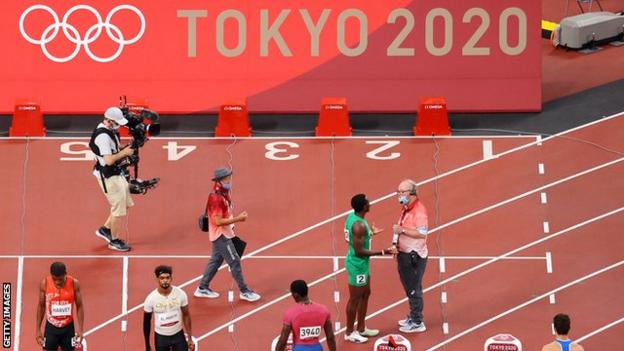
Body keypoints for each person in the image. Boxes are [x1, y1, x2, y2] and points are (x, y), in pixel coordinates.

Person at [194, 167, 260, 302]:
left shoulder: (224, 192)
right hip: (221, 235)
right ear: (220, 180)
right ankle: (244, 291)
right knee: (234, 261)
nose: (229, 180)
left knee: (216, 261)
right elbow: (217, 221)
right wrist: (238, 219)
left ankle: (202, 288)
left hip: (224, 232)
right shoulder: (216, 198)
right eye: (227, 178)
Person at [344, 193, 396, 343]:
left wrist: (370, 233)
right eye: (368, 202)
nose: (370, 204)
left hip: (363, 265)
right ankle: (349, 332)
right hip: (357, 266)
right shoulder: (358, 226)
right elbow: (359, 251)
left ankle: (361, 328)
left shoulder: (353, 217)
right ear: (364, 207)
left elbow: (353, 238)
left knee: (366, 293)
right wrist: (383, 252)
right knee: (354, 299)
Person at [89, 106, 135, 251]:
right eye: (117, 123)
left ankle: (105, 229)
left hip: (115, 173)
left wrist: (126, 147)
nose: (119, 126)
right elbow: (109, 160)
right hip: (108, 176)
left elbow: (115, 147)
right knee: (118, 209)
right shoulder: (102, 136)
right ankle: (113, 241)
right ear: (109, 121)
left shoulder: (109, 130)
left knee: (124, 204)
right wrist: (125, 152)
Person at [393, 179, 429, 333]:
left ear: (411, 193)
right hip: (404, 253)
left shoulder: (419, 211)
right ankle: (413, 316)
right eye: (398, 191)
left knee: (414, 289)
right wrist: (395, 244)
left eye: (402, 192)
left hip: (414, 256)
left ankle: (417, 321)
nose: (399, 194)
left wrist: (401, 231)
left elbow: (422, 233)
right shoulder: (406, 208)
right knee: (409, 287)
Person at [144, 265, 195, 351]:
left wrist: (189, 338)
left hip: (178, 335)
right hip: (161, 338)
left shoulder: (180, 294)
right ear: (157, 279)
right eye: (162, 278)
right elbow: (146, 323)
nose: (165, 281)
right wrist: (147, 345)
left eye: (167, 277)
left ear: (171, 278)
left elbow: (186, 315)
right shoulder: (150, 299)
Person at [275, 280, 336, 351]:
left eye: (291, 293)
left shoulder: (290, 313)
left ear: (295, 294)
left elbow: (283, 341)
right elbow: (330, 337)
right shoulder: (324, 310)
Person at [36, 262, 84, 351]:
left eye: (60, 279)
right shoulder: (45, 283)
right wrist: (38, 329)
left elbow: (80, 306)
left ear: (65, 273)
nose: (57, 282)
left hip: (68, 328)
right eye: (54, 279)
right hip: (51, 328)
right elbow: (41, 306)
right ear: (51, 275)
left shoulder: (74, 283)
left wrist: (81, 329)